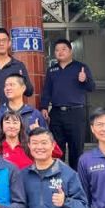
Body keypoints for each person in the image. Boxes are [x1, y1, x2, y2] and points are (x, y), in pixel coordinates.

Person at [40, 39, 96, 170]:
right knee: (56, 148)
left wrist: (84, 80)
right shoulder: (52, 70)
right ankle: (57, 176)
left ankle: (75, 177)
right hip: (56, 113)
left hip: (76, 113)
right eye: (57, 50)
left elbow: (92, 87)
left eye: (63, 49)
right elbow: (47, 90)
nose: (60, 52)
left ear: (70, 51)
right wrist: (44, 107)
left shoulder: (80, 67)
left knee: (76, 147)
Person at [0, 28, 34, 102]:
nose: (1, 44)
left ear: (9, 43)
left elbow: (29, 92)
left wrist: (22, 80)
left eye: (4, 40)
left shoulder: (18, 65)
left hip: (12, 109)